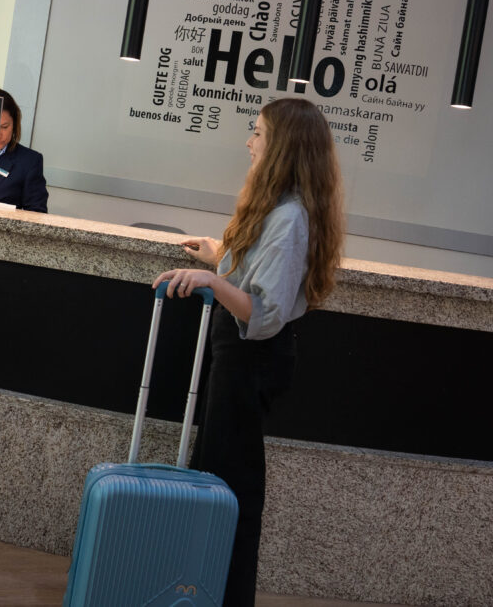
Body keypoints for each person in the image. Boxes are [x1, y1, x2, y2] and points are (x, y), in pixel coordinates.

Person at [153, 98, 344, 606]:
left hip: (251, 359)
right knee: (218, 478)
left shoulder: (289, 219)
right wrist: (220, 256)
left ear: (280, 145)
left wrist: (213, 280)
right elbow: (259, 279)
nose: (249, 141)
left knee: (230, 487)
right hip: (240, 357)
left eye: (257, 133)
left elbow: (263, 314)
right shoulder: (282, 209)